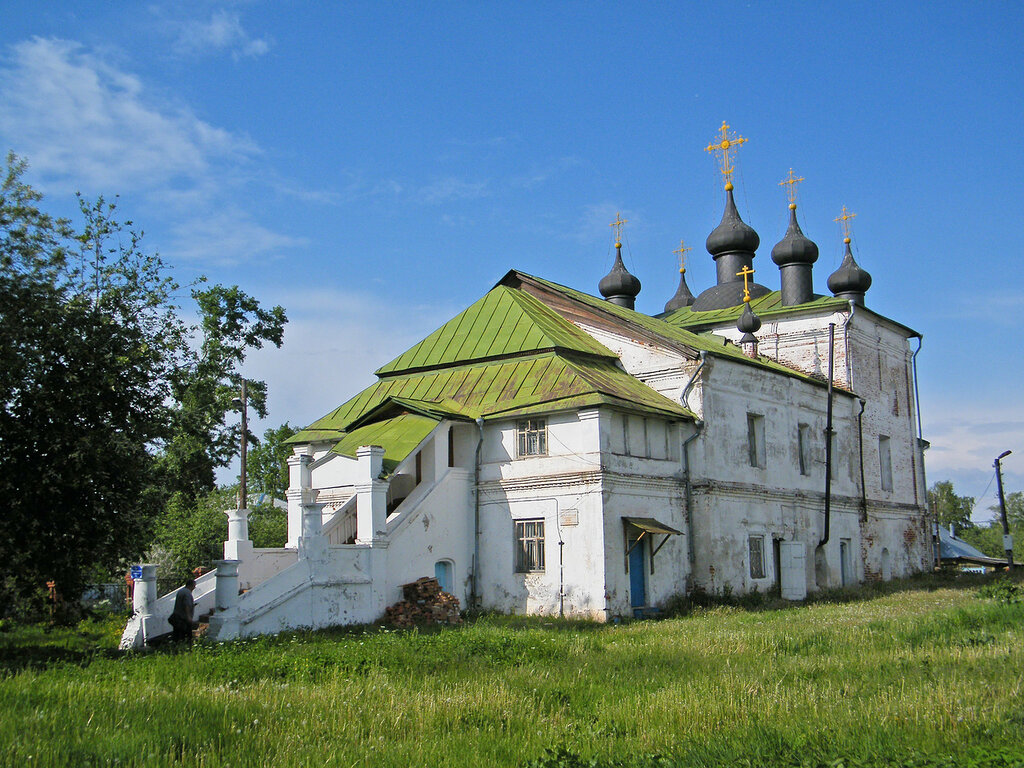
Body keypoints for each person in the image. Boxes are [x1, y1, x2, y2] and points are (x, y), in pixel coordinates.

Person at [168, 578, 198, 645]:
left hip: (177, 616)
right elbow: (186, 605)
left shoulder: (181, 591)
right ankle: (185, 647)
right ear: (191, 586)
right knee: (186, 636)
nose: (194, 588)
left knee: (176, 634)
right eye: (194, 586)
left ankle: (176, 646)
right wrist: (189, 617)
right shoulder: (187, 593)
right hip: (183, 618)